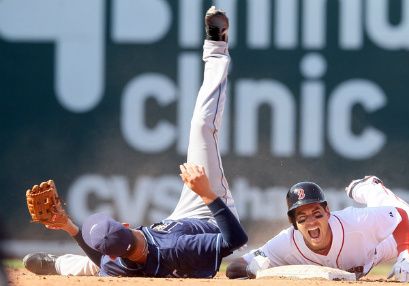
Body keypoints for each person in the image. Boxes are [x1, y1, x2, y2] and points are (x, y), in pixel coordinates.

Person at [23, 6, 247, 278]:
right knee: (201, 127)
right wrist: (208, 194)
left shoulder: (118, 264)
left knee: (94, 266)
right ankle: (216, 49)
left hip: (172, 230)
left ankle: (57, 265)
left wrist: (70, 227)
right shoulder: (178, 247)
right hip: (209, 217)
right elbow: (234, 240)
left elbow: (107, 259)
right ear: (126, 224)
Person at [226, 176, 409, 283]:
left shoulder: (355, 221)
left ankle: (369, 188)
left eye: (317, 214)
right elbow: (233, 268)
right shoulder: (284, 244)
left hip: (376, 247)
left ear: (327, 212)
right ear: (294, 223)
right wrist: (253, 268)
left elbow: (399, 215)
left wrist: (406, 252)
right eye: (302, 218)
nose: (312, 222)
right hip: (368, 257)